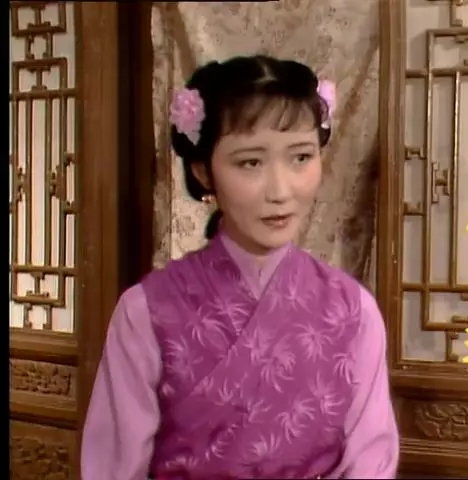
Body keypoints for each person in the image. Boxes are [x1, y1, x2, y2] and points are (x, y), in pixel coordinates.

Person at [81, 55, 399, 480]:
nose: (281, 190)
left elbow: (370, 465)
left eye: (301, 157)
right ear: (203, 171)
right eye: (251, 162)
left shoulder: (353, 310)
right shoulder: (145, 313)